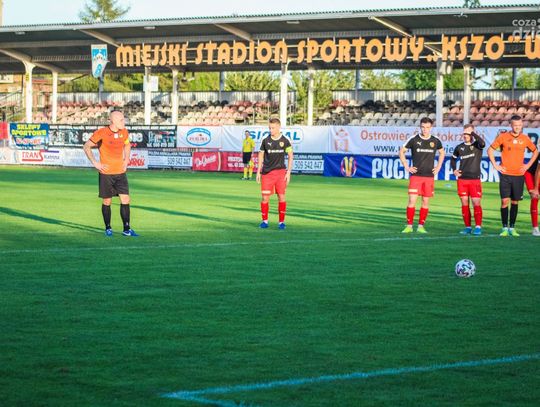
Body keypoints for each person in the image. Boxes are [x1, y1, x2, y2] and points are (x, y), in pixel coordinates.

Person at [83, 110, 138, 237]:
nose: (124, 122)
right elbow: (86, 146)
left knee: (126, 199)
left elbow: (127, 145)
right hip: (106, 174)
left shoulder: (124, 132)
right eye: (121, 120)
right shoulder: (102, 132)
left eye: (124, 119)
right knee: (107, 201)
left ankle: (127, 229)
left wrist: (126, 159)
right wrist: (95, 163)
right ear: (113, 121)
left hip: (120, 172)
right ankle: (108, 228)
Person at [488, 115, 539, 237]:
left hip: (519, 175)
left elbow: (535, 151)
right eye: (516, 125)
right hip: (505, 174)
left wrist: (527, 166)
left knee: (515, 202)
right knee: (504, 201)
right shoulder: (503, 137)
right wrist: (496, 165)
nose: (518, 127)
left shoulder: (525, 138)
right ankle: (504, 228)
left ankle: (512, 228)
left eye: (520, 125)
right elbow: (490, 150)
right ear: (511, 125)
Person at [399, 117, 445, 233]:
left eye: (427, 127)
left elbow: (442, 152)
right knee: (412, 201)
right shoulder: (414, 139)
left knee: (425, 202)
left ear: (431, 128)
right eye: (423, 127)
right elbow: (401, 152)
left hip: (429, 176)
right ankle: (409, 226)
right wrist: (406, 166)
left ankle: (420, 226)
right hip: (416, 176)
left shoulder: (435, 140)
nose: (425, 130)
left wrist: (438, 166)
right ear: (420, 127)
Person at [256, 118, 293, 230]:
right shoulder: (265, 140)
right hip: (267, 173)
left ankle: (281, 222)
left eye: (273, 128)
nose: (271, 130)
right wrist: (258, 171)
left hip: (281, 173)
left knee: (281, 196)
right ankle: (264, 221)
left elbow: (291, 156)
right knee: (265, 198)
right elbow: (261, 155)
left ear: (278, 127)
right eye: (269, 128)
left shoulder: (285, 140)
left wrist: (288, 172)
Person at [450, 124, 485, 235]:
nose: (465, 135)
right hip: (462, 180)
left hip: (474, 179)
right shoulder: (459, 147)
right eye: (464, 133)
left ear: (472, 134)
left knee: (476, 202)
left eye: (468, 133)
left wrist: (472, 133)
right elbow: (453, 159)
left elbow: (483, 143)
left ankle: (478, 227)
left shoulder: (477, 145)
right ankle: (468, 227)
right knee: (465, 203)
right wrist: (454, 170)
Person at [523, 133, 540, 236]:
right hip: (530, 174)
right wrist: (536, 188)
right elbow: (538, 171)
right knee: (535, 197)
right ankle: (535, 228)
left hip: (537, 174)